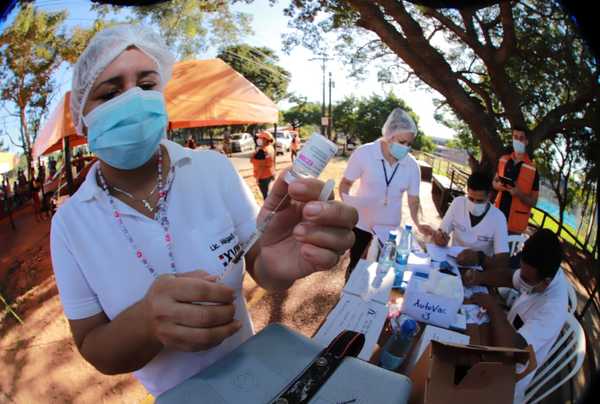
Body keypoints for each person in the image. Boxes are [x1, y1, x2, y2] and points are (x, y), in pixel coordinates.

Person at [50, 24, 357, 398]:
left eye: (146, 86)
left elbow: (261, 263)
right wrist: (147, 322)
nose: (133, 101)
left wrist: (278, 266)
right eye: (110, 92)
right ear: (83, 118)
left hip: (252, 377)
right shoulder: (70, 224)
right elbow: (92, 345)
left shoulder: (214, 168)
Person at [462, 229, 568, 404]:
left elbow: (511, 351)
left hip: (508, 376)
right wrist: (478, 277)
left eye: (526, 278)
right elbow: (510, 276)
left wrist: (494, 308)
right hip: (499, 339)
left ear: (546, 282)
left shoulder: (553, 309)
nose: (522, 279)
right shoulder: (539, 271)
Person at [339, 108, 434, 280]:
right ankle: (349, 301)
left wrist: (419, 223)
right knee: (356, 269)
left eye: (409, 144)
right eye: (402, 142)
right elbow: (345, 184)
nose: (406, 148)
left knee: (382, 275)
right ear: (389, 136)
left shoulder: (411, 165)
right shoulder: (364, 153)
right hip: (362, 226)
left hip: (390, 231)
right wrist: (346, 210)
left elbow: (414, 199)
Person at [432, 171, 509, 270]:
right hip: (453, 264)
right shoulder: (458, 204)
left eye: (480, 201)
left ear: (489, 195)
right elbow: (442, 232)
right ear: (467, 191)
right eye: (470, 198)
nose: (474, 204)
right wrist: (439, 238)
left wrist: (479, 258)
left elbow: (503, 259)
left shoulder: (498, 218)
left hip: (479, 270)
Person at [493, 126, 539, 234]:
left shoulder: (533, 170)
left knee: (505, 251)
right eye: (515, 137)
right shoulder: (503, 159)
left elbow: (534, 202)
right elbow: (494, 182)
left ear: (526, 141)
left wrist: (520, 194)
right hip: (495, 218)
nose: (517, 140)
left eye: (521, 138)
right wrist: (497, 186)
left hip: (514, 226)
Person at [250, 131, 276, 201]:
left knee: (266, 196)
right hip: (270, 174)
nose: (258, 139)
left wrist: (258, 178)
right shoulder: (270, 147)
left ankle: (268, 210)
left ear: (264, 139)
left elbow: (260, 166)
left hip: (263, 176)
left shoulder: (262, 151)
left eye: (260, 137)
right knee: (269, 194)